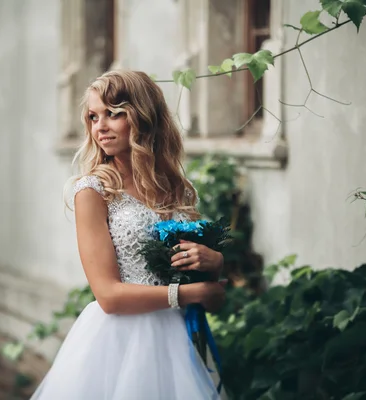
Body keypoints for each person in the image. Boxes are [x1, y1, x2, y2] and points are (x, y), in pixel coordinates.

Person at [31, 70, 227, 399]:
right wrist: (192, 294)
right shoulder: (93, 191)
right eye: (93, 117)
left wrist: (215, 261)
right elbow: (108, 296)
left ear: (143, 116)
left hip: (177, 339)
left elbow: (207, 291)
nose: (100, 127)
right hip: (120, 342)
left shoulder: (173, 188)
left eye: (114, 113)